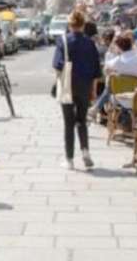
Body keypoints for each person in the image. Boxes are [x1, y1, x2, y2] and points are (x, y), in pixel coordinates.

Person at [53, 11, 101, 170]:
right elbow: (96, 69)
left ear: (70, 25)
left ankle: (69, 159)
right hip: (85, 86)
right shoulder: (90, 42)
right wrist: (93, 90)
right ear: (83, 25)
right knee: (82, 120)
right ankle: (85, 151)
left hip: (68, 85)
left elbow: (57, 64)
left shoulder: (63, 41)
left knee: (68, 123)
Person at [101, 34, 137, 129]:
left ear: (119, 48)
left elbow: (106, 69)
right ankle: (129, 121)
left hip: (126, 97)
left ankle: (124, 121)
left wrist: (113, 73)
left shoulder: (119, 61)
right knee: (126, 90)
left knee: (114, 89)